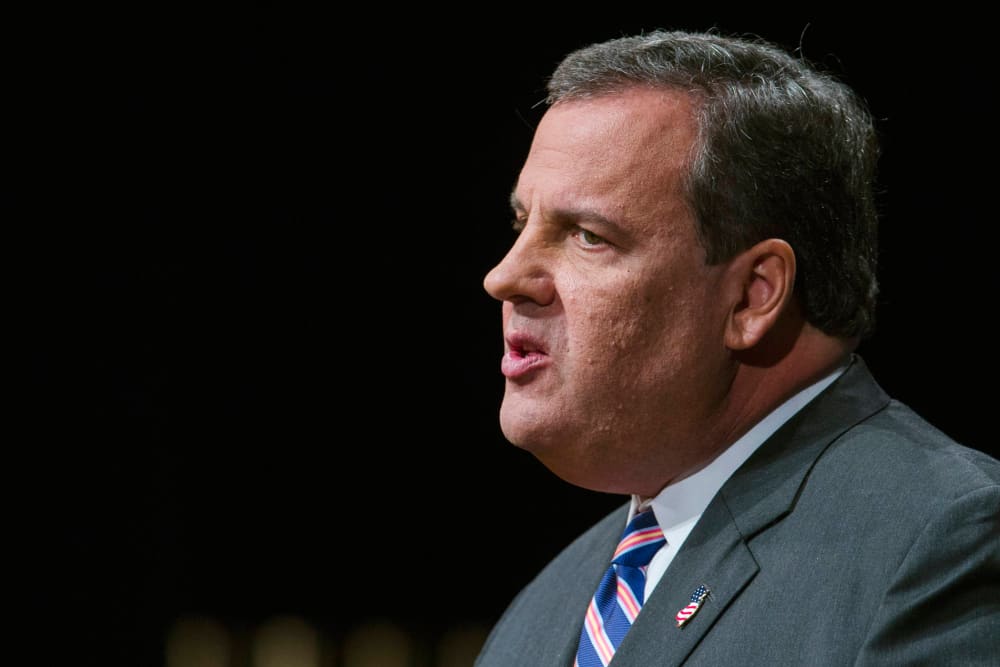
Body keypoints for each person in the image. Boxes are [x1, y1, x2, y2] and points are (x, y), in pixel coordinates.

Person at [475, 28, 1000, 666]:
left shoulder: (943, 545)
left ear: (752, 296)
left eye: (587, 235)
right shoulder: (544, 609)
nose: (504, 276)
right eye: (521, 224)